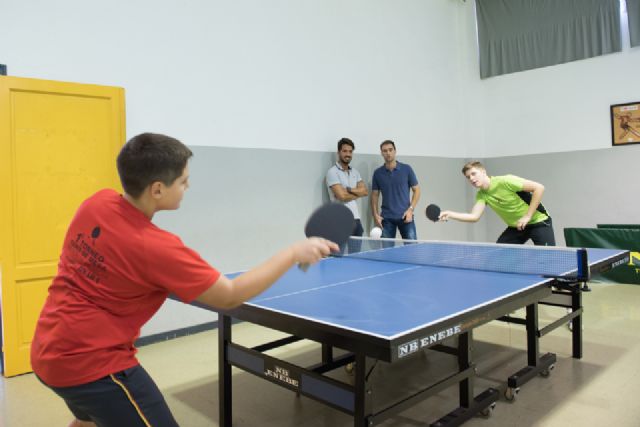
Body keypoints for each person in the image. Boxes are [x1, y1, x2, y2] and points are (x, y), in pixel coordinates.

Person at [30, 133, 337, 427]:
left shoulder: (96, 202)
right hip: (92, 365)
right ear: (158, 189)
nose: (188, 186)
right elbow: (229, 295)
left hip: (46, 349)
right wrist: (293, 253)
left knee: (88, 421)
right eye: (183, 181)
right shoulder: (156, 247)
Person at [439, 160, 555, 246]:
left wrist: (527, 216)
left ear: (483, 172)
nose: (471, 179)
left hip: (539, 222)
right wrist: (450, 214)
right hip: (517, 227)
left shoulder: (505, 181)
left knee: (549, 261)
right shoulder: (482, 194)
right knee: (500, 254)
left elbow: (539, 188)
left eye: (474, 174)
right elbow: (474, 217)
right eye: (468, 177)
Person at [370, 140, 421, 240]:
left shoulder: (407, 169)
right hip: (387, 218)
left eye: (390, 150)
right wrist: (375, 215)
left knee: (412, 249)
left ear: (395, 151)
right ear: (381, 153)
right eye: (385, 151)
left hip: (405, 216)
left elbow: (417, 190)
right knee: (387, 252)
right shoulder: (377, 173)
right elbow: (374, 195)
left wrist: (410, 210)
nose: (388, 153)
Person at [325, 138, 368, 237]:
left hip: (356, 219)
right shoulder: (332, 172)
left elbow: (365, 191)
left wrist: (349, 190)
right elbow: (342, 197)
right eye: (344, 151)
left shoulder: (355, 172)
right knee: (340, 252)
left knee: (356, 253)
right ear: (338, 152)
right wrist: (357, 193)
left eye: (350, 151)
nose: (348, 154)